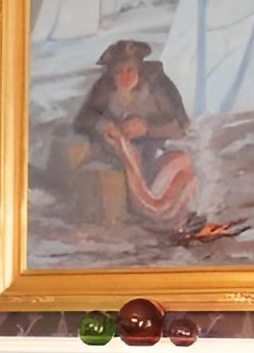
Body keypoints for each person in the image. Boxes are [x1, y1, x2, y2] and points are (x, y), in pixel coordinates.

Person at [72, 39, 195, 224]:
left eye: (129, 70)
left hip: (159, 149)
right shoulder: (104, 87)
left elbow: (181, 124)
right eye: (119, 72)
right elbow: (83, 119)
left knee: (177, 169)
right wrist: (103, 125)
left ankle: (172, 215)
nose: (125, 77)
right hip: (119, 153)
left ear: (139, 70)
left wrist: (147, 127)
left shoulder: (158, 85)